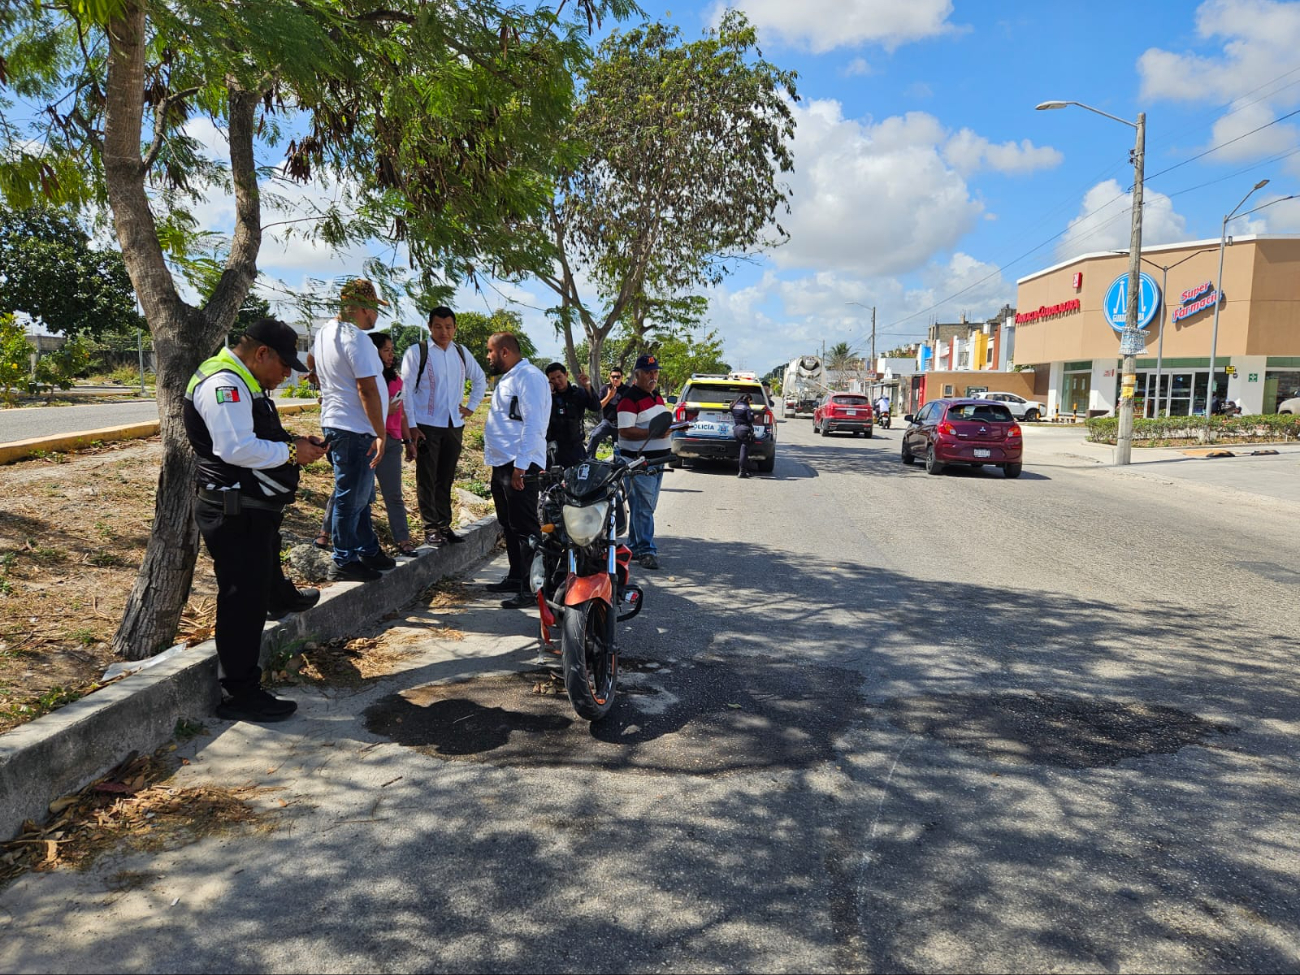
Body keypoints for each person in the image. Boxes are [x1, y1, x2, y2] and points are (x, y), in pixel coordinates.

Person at [184, 318, 328, 722]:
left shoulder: (244, 381)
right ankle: (240, 694)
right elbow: (234, 447)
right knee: (241, 601)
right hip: (233, 510)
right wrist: (290, 453)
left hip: (249, 508)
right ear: (261, 353)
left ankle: (278, 595)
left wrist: (295, 443)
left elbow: (252, 434)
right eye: (284, 367)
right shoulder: (223, 383)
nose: (286, 376)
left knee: (260, 572)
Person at [311, 278, 393, 582]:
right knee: (351, 496)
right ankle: (343, 558)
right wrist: (381, 433)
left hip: (338, 423)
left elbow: (313, 365)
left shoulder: (324, 333)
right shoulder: (355, 338)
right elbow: (367, 389)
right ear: (360, 307)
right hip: (354, 429)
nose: (376, 316)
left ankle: (367, 548)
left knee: (360, 493)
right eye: (373, 309)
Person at [318, 331, 417, 554]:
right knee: (349, 491)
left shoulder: (395, 380)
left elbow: (401, 413)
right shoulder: (362, 377)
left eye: (392, 350)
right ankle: (327, 536)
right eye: (386, 350)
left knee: (393, 494)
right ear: (372, 352)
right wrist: (382, 410)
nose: (391, 355)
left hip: (390, 441)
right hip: (364, 440)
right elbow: (360, 402)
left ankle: (403, 540)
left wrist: (408, 440)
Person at [399, 306, 487, 547]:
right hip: (426, 424)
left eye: (448, 327)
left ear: (455, 328)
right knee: (427, 477)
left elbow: (479, 378)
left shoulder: (460, 352)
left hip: (453, 424)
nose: (444, 331)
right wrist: (412, 425)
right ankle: (430, 527)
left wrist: (471, 406)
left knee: (446, 477)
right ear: (430, 327)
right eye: (438, 326)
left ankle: (444, 525)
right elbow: (405, 390)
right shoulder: (418, 352)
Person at [482, 332, 550, 608]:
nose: (488, 356)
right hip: (503, 462)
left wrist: (521, 467)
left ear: (505, 351)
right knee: (509, 524)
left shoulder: (529, 377)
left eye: (490, 351)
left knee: (525, 528)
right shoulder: (509, 378)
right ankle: (515, 575)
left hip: (520, 463)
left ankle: (532, 587)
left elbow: (534, 424)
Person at [618, 354, 672, 570]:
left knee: (642, 506)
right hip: (638, 462)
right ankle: (647, 550)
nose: (653, 376)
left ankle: (633, 546)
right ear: (637, 375)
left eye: (655, 372)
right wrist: (654, 434)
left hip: (658, 461)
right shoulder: (628, 400)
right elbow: (625, 431)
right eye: (648, 373)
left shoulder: (657, 396)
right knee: (644, 507)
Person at [545, 362, 600, 467]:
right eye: (552, 379)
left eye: (559, 377)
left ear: (566, 375)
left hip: (575, 448)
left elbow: (596, 407)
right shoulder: (547, 397)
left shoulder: (578, 393)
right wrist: (546, 395)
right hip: (553, 448)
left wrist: (587, 387)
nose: (557, 381)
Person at [585, 367, 627, 458]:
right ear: (610, 377)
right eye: (613, 376)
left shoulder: (627, 390)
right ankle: (589, 460)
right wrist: (609, 396)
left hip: (621, 424)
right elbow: (598, 406)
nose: (615, 379)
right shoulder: (605, 388)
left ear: (622, 377)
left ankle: (618, 466)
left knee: (619, 450)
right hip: (607, 422)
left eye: (618, 377)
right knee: (594, 436)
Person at [730, 392, 756, 478]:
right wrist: (754, 417)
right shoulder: (747, 407)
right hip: (744, 430)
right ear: (748, 399)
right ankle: (742, 472)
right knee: (744, 452)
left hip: (736, 429)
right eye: (751, 401)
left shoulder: (735, 405)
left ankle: (744, 470)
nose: (751, 402)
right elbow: (750, 419)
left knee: (741, 451)